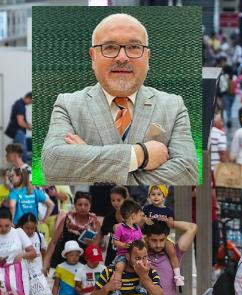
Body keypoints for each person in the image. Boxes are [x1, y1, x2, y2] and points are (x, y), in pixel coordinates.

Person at [41, 14, 197, 185]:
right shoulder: (67, 105)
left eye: (134, 47)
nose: (122, 57)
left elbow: (188, 172)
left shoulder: (173, 106)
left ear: (148, 57)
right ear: (93, 56)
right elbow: (53, 164)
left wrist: (87, 162)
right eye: (109, 47)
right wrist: (140, 155)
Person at [44, 191, 101, 272]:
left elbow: (100, 247)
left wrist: (93, 244)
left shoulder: (95, 223)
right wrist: (46, 262)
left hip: (85, 265)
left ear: (90, 206)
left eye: (86, 205)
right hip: (63, 262)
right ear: (74, 205)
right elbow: (53, 242)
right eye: (80, 205)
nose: (83, 207)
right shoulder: (67, 220)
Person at [97, 186, 128, 267]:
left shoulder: (133, 217)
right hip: (112, 256)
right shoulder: (109, 217)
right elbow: (101, 234)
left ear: (126, 199)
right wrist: (99, 244)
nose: (115, 203)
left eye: (119, 200)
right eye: (113, 200)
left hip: (128, 256)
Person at [3, 92, 32, 161]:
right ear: (28, 98)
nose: (30, 103)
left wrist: (28, 125)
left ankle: (20, 170)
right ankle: (25, 171)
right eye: (31, 101)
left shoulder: (18, 103)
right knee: (22, 153)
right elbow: (20, 122)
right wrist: (29, 127)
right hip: (19, 133)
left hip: (17, 132)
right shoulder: (20, 105)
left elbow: (21, 120)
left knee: (17, 153)